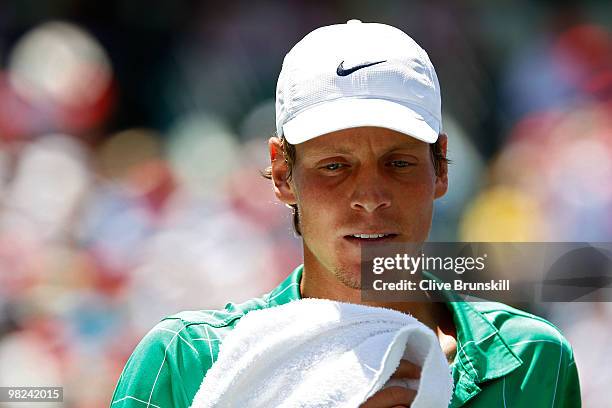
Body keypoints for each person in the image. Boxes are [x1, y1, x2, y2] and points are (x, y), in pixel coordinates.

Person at [110, 20, 581, 407]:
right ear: (281, 175)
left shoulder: (534, 361)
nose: (370, 196)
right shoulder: (185, 360)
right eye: (335, 166)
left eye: (398, 163)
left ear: (440, 167)